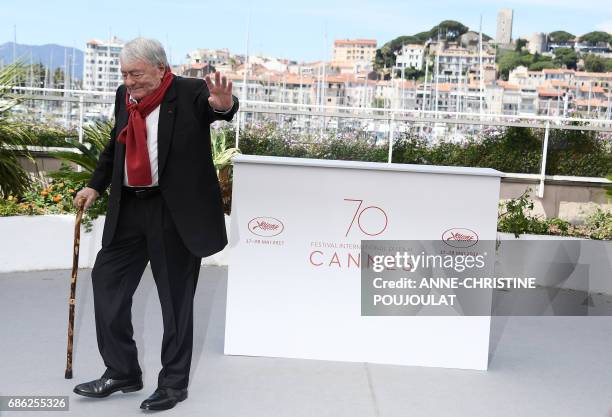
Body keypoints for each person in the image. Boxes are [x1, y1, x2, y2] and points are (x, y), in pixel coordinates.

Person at [71, 37, 238, 411]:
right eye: (125, 74)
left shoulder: (191, 92)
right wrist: (95, 185)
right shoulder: (123, 97)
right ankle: (122, 371)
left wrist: (225, 106)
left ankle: (174, 385)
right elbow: (115, 146)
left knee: (175, 302)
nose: (129, 82)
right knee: (107, 282)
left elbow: (219, 109)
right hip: (130, 208)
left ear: (160, 68)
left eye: (136, 74)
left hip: (174, 212)